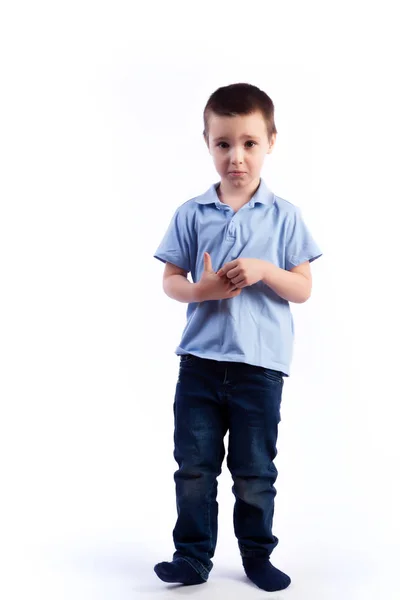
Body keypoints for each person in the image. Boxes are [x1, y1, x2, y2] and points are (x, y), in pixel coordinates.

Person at [152, 82, 323, 592]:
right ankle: (192, 558)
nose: (236, 157)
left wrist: (265, 270)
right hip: (200, 363)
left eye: (249, 143)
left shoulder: (285, 215)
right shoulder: (191, 212)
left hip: (260, 368)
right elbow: (171, 282)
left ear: (271, 141)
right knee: (194, 468)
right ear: (207, 142)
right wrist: (200, 290)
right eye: (223, 143)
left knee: (253, 472)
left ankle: (256, 556)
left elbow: (303, 288)